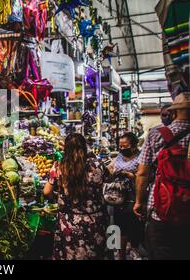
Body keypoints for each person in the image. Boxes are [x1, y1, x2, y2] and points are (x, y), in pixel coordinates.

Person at [134, 92, 190, 260]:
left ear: (173, 113)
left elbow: (142, 173)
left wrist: (139, 201)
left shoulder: (156, 134)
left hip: (161, 207)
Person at [44, 133, 110, 260]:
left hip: (68, 222)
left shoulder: (58, 166)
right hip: (94, 221)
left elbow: (46, 191)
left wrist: (56, 196)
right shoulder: (97, 165)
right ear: (85, 147)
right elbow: (107, 183)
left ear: (66, 149)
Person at [106, 132, 142, 260]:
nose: (121, 149)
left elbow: (145, 177)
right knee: (120, 226)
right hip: (118, 197)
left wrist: (130, 175)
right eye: (120, 146)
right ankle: (121, 255)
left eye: (125, 146)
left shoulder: (141, 158)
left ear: (133, 146)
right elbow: (110, 169)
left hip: (135, 197)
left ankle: (134, 249)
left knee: (134, 226)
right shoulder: (119, 157)